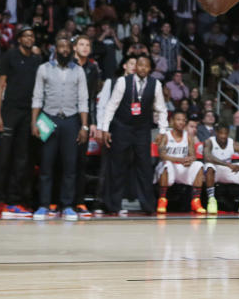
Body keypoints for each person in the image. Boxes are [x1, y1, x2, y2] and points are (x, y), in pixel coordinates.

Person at [0, 28, 42, 219]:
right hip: (9, 112)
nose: (29, 38)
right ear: (19, 39)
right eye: (25, 36)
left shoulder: (37, 60)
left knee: (22, 160)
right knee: (2, 158)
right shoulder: (10, 56)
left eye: (32, 36)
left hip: (28, 113)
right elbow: (0, 86)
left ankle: (13, 202)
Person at [99, 54, 168, 215]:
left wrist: (163, 130)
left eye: (146, 66)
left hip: (142, 129)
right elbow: (111, 106)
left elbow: (162, 109)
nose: (143, 68)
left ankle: (148, 206)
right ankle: (112, 205)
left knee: (144, 167)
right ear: (135, 67)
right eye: (140, 65)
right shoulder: (123, 81)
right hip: (122, 127)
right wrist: (105, 128)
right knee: (117, 166)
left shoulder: (155, 84)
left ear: (150, 69)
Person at [30, 34, 89, 221]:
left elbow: (83, 100)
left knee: (70, 166)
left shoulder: (78, 71)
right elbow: (37, 97)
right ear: (55, 49)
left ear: (71, 50)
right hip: (49, 118)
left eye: (67, 47)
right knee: (46, 165)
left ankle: (68, 206)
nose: (64, 50)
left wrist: (84, 126)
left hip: (71, 120)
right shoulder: (44, 69)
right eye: (61, 46)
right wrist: (34, 122)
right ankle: (44, 205)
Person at [153, 110, 204, 214]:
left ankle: (196, 201)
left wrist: (190, 160)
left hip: (182, 167)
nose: (181, 122)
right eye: (178, 120)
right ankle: (162, 200)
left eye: (183, 120)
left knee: (199, 165)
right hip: (167, 167)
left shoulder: (188, 137)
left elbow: (193, 155)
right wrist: (180, 160)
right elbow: (162, 155)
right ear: (172, 122)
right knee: (166, 164)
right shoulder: (165, 136)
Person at [72, 34, 101, 217]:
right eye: (81, 44)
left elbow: (91, 98)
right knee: (62, 161)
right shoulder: (67, 65)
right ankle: (57, 201)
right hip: (65, 115)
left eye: (87, 45)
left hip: (82, 118)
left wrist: (92, 122)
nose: (84, 47)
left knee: (80, 162)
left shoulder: (92, 68)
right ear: (74, 47)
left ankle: (79, 202)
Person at [203, 123, 239, 215]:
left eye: (225, 133)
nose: (223, 136)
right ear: (216, 133)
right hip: (216, 171)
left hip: (228, 171)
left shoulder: (233, 143)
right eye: (221, 133)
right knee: (209, 166)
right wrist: (227, 164)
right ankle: (211, 200)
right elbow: (207, 157)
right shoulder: (209, 142)